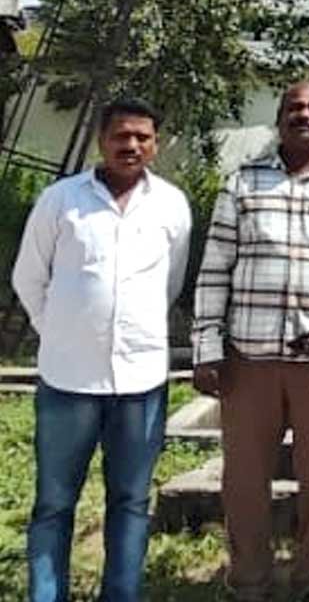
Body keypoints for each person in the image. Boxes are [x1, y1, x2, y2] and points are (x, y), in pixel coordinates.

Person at [191, 81, 309, 602]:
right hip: (248, 358)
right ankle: (249, 581)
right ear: (279, 118)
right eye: (294, 107)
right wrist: (206, 348)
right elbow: (214, 269)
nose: (304, 115)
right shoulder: (242, 182)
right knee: (244, 479)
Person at [13, 98, 191, 602]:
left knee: (131, 502)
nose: (130, 145)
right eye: (120, 135)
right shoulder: (60, 201)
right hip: (68, 380)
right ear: (101, 140)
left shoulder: (172, 205)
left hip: (140, 382)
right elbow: (28, 278)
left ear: (155, 144)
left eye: (142, 137)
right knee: (53, 504)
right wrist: (60, 331)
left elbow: (171, 283)